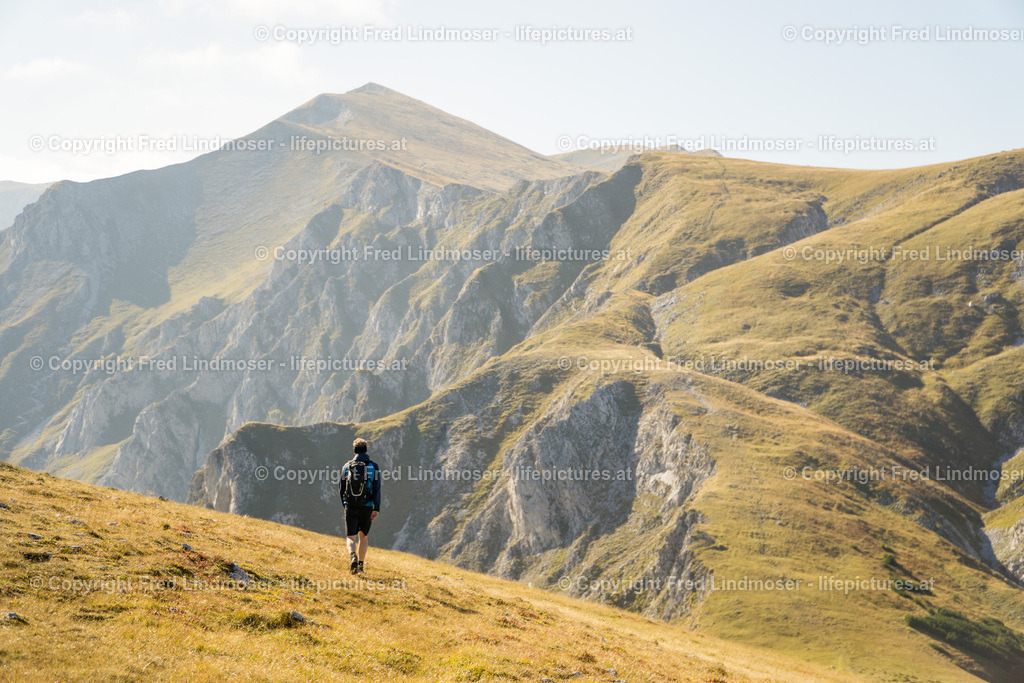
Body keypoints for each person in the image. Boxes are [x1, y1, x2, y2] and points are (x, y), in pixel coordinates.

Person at [340, 438, 381, 574]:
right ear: (366, 450)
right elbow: (377, 488)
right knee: (363, 536)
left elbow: (341, 489)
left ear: (354, 451)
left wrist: (345, 505)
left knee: (350, 537)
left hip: (351, 505)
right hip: (367, 506)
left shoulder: (347, 466)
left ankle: (353, 557)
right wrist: (376, 508)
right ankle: (361, 567)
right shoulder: (373, 466)